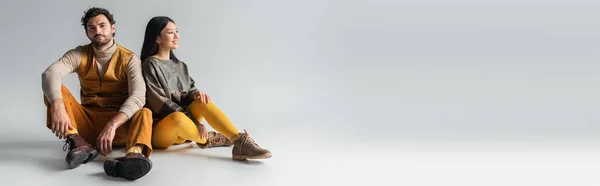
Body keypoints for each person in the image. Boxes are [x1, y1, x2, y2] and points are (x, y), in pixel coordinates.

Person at [41, 7, 153, 180]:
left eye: (102, 25)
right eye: (91, 28)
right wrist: (57, 105)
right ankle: (78, 142)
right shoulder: (79, 54)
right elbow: (50, 74)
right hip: (87, 124)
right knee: (56, 91)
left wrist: (112, 125)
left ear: (113, 28)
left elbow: (138, 96)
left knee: (144, 112)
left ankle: (133, 155)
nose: (97, 31)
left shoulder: (129, 59)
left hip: (119, 128)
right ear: (87, 32)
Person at [140, 16, 272, 161]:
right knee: (177, 118)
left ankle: (239, 142)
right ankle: (208, 138)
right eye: (171, 32)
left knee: (203, 101)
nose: (177, 36)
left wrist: (196, 95)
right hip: (163, 131)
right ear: (157, 38)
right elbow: (158, 101)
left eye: (177, 31)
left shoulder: (180, 65)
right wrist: (195, 122)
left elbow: (190, 90)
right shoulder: (149, 64)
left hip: (186, 130)